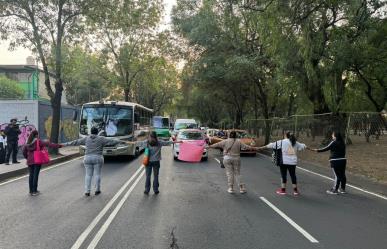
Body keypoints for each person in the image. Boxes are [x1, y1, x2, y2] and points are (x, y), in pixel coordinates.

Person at [62, 127, 121, 196]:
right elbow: (113, 141)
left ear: (91, 132)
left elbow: (75, 142)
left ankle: (87, 191)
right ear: (97, 132)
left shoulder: (86, 138)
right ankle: (97, 190)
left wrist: (63, 144)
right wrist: (119, 140)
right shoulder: (101, 138)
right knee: (97, 174)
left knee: (88, 175)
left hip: (87, 158)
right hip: (98, 157)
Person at [259, 132, 306, 196]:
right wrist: (305, 145)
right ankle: (295, 191)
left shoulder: (281, 142)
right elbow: (302, 146)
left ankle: (283, 190)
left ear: (285, 135)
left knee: (283, 175)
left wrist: (260, 148)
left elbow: (271, 145)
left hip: (284, 162)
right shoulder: (295, 142)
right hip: (293, 162)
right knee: (293, 175)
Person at [25, 130, 62, 196]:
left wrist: (27, 157)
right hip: (37, 160)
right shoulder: (38, 141)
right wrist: (59, 146)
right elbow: (49, 144)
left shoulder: (27, 142)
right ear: (36, 135)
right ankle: (35, 191)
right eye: (38, 134)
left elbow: (24, 151)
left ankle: (31, 191)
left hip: (30, 160)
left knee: (31, 175)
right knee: (35, 175)